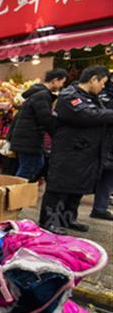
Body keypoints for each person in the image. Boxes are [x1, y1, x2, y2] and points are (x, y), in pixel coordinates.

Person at [40, 66, 113, 234]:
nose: (103, 87)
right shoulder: (70, 95)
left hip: (86, 153)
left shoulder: (93, 97)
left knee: (76, 189)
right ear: (93, 79)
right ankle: (48, 222)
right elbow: (88, 115)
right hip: (69, 151)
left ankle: (68, 219)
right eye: (102, 83)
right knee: (59, 189)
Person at [10, 69, 68, 181]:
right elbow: (45, 119)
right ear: (55, 80)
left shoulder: (38, 93)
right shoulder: (42, 95)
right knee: (28, 167)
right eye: (62, 82)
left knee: (33, 165)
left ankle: (18, 193)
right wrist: (58, 135)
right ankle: (13, 194)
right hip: (29, 139)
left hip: (27, 138)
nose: (62, 86)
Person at [91, 74, 113, 220]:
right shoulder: (102, 94)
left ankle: (100, 207)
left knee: (109, 174)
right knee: (94, 172)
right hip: (101, 139)